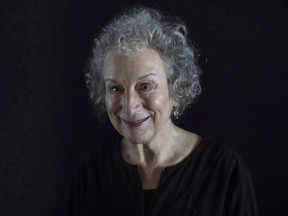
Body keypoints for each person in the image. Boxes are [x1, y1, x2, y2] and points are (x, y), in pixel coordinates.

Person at [68, 6, 259, 216]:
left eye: (145, 86)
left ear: (175, 89)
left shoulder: (224, 170)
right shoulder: (92, 170)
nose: (130, 106)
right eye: (115, 88)